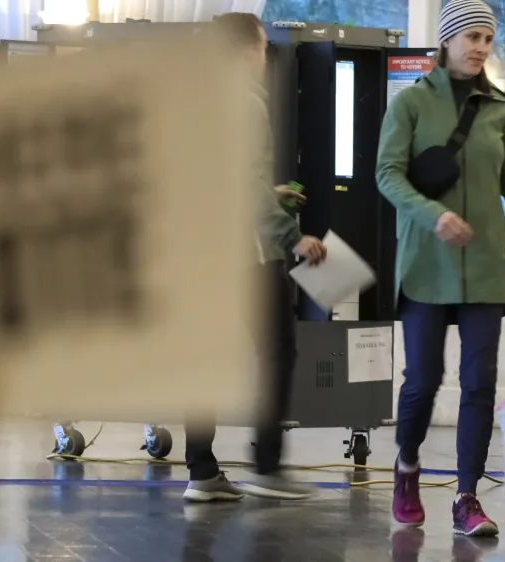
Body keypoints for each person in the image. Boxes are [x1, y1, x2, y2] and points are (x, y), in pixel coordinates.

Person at [375, 0, 505, 537]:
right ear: (447, 40)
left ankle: (467, 498)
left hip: (485, 267)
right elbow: (388, 175)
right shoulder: (411, 104)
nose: (481, 47)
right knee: (422, 382)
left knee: (479, 384)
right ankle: (407, 467)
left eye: (487, 38)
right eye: (471, 37)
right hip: (425, 264)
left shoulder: (501, 111)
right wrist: (434, 216)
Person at [182, 12, 327, 503]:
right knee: (277, 353)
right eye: (262, 47)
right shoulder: (245, 101)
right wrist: (292, 236)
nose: (264, 57)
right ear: (244, 50)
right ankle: (267, 466)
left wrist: (269, 191)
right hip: (247, 255)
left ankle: (201, 471)